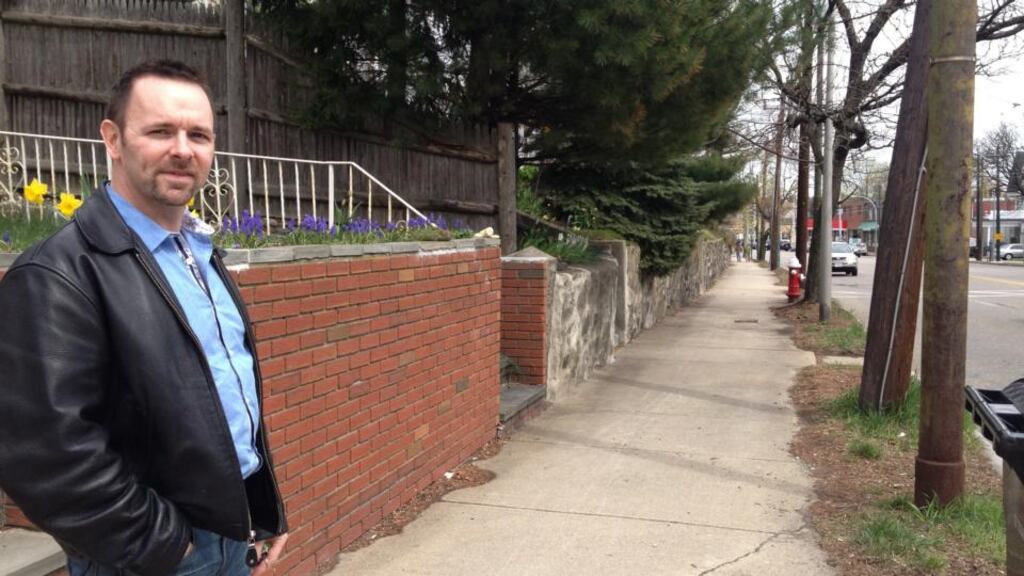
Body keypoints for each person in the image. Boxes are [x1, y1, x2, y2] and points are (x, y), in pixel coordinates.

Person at [0, 60, 288, 576]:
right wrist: (167, 546)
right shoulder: (58, 274)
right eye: (160, 131)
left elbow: (227, 404)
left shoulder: (199, 255)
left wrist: (261, 509)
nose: (183, 149)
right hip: (152, 557)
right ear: (113, 139)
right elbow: (44, 455)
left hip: (234, 535)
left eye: (198, 135)